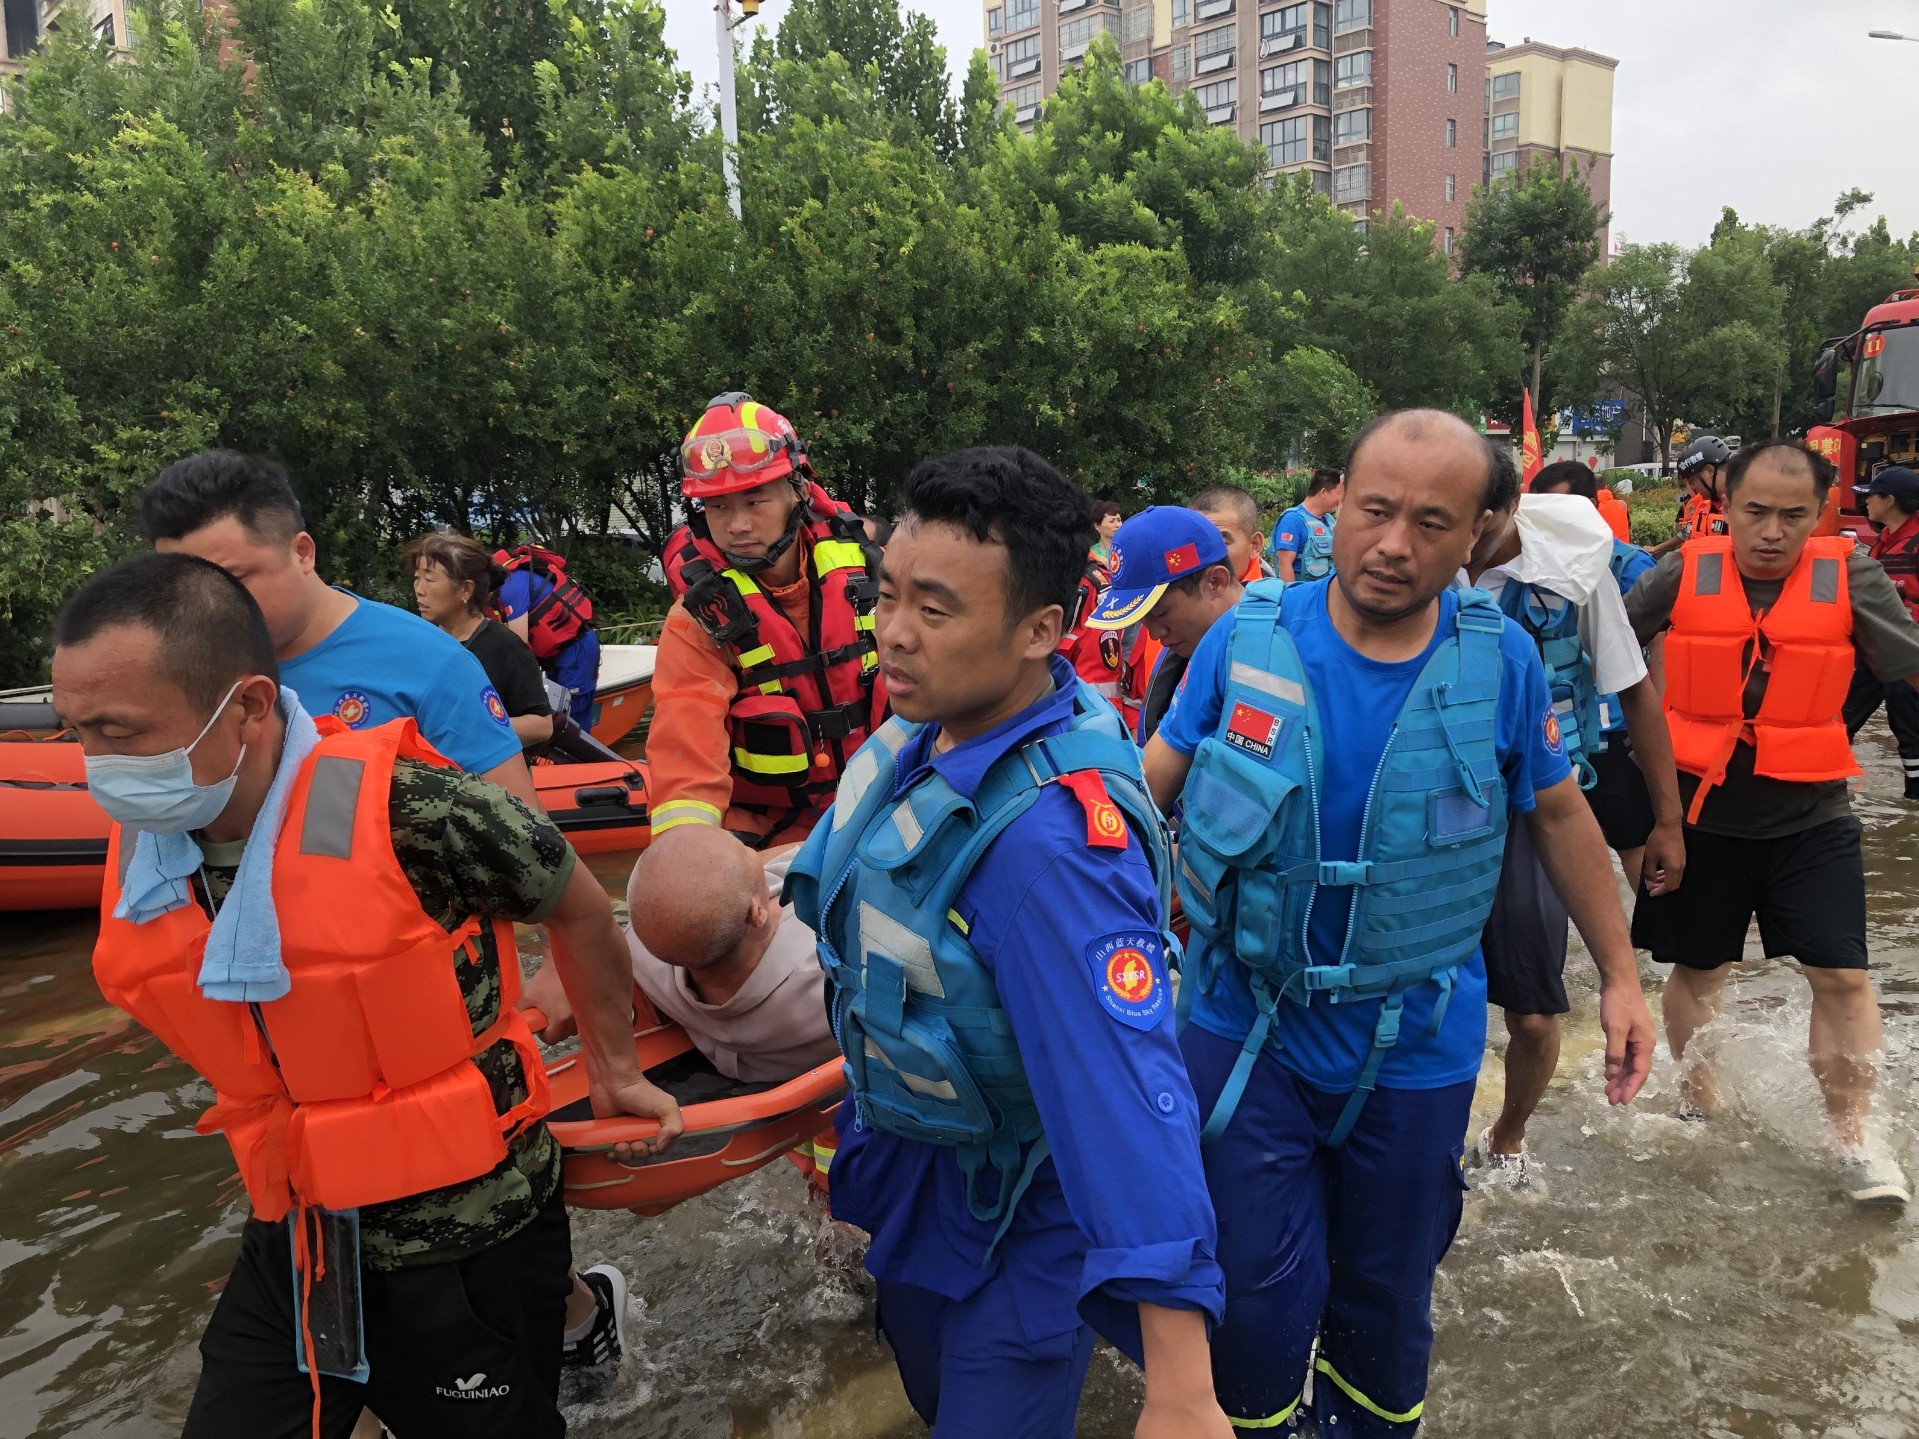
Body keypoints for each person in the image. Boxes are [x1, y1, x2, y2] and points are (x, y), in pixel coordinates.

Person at [52, 553, 682, 1438]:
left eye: (119, 732)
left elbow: (579, 907)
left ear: (249, 706)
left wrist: (614, 1070)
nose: (97, 765)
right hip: (300, 1229)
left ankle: (578, 1309)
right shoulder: (152, 850)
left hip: (468, 1229)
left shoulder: (417, 811)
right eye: (77, 731)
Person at [1142, 409, 1655, 1434]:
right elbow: (1142, 790)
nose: (1391, 544)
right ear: (1336, 503)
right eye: (1373, 511)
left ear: (1478, 534)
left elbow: (1559, 811)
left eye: (1430, 523)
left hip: (1412, 1038)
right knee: (1248, 1293)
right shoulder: (1243, 638)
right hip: (1246, 1023)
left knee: (1386, 1295)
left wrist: (1621, 973)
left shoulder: (1501, 661)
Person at [786, 446, 1231, 1439]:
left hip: (1017, 1218)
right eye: (885, 595)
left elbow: (1124, 1090)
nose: (893, 633)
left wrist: (1179, 1383)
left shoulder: (1050, 848)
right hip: (915, 1177)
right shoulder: (924, 732)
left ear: (1040, 629)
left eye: (934, 609)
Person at [1626, 439, 1919, 1205]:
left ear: (1820, 513)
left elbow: (1907, 661)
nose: (1770, 531)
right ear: (1725, 505)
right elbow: (1605, 654)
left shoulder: (1851, 574)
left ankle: (1852, 1140)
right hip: (1696, 814)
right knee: (1698, 969)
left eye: (1793, 515)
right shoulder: (1681, 571)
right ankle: (1698, 1107)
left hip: (1811, 812)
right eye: (1754, 511)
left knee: (1842, 974)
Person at [1462, 456, 1686, 1184]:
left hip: (1536, 803)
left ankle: (1507, 1135)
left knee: (1531, 1013)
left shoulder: (1575, 570)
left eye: (1467, 517)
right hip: (1430, 802)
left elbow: (1635, 691)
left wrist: (1667, 819)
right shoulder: (1410, 569)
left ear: (1502, 510)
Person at [138, 452, 541, 810]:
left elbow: (528, 846)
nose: (205, 609)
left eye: (231, 581)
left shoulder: (429, 665)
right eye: (180, 590)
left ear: (302, 553)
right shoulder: (172, 669)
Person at [651, 392, 884, 849]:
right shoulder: (697, 621)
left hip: (881, 800)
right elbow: (686, 758)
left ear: (799, 491)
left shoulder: (873, 572)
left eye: (755, 500)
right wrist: (687, 850)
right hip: (774, 829)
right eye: (718, 506)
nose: (737, 524)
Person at [621, 825, 840, 1082]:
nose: (754, 851)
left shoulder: (643, 948)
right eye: (745, 850)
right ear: (756, 915)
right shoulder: (823, 980)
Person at [1532, 463, 1666, 881]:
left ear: (1590, 507)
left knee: (1633, 840)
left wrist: (1657, 722)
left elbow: (1659, 643)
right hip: (1556, 733)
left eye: (1561, 507)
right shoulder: (1529, 569)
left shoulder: (1627, 564)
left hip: (1613, 731)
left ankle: (1647, 920)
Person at [1086, 507, 1244, 747]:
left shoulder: (1280, 651)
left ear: (1216, 582)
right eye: (1142, 621)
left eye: (1161, 613)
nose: (1155, 634)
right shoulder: (1185, 656)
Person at [407, 531, 554, 750]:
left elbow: (542, 726)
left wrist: (474, 727)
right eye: (417, 578)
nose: (419, 590)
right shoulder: (425, 641)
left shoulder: (506, 646)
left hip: (487, 769)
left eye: (429, 580)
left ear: (466, 589)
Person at [1842, 465, 1919, 799]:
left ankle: (1913, 801)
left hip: (1907, 653)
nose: (1865, 503)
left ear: (1890, 500)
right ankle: (1817, 787)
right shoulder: (1882, 542)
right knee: (1840, 718)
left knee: (1909, 729)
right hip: (1873, 650)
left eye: (1870, 496)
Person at [494, 544, 602, 731]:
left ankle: (575, 749)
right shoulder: (499, 589)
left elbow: (518, 646)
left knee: (571, 718)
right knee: (557, 709)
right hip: (555, 654)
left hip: (577, 649)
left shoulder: (512, 585)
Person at [1650, 436, 1732, 557]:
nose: (1691, 488)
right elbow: (1688, 540)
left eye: (1692, 481)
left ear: (1709, 471)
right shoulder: (1703, 508)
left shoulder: (1745, 508)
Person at [1270, 468, 1343, 582]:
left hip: (1325, 590)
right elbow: (1284, 565)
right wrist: (1293, 592)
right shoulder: (1292, 520)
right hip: (1303, 591)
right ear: (1323, 492)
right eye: (1338, 493)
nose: (1340, 499)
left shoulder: (1329, 520)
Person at [1189, 484, 1268, 584]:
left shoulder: (1273, 592)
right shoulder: (1175, 588)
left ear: (1254, 545)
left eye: (1222, 542)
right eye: (1196, 542)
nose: (1205, 554)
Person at [1090, 497, 1123, 566]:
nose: (1118, 525)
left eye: (1119, 520)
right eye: (1112, 521)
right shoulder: (1091, 553)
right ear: (1097, 526)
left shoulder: (1129, 548)